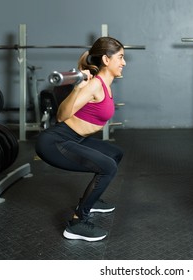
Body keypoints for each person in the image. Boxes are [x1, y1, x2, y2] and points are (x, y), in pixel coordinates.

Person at [35, 37, 126, 242]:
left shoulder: (105, 84)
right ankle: (77, 222)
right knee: (108, 167)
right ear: (106, 59)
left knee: (115, 153)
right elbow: (61, 116)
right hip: (55, 142)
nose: (123, 62)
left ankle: (90, 201)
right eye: (120, 57)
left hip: (75, 139)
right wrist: (77, 88)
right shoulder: (93, 85)